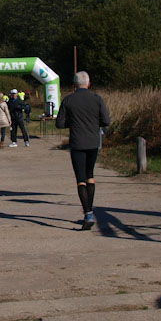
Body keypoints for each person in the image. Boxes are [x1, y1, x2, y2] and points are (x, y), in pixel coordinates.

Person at [56, 71, 111, 230]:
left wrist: (72, 123)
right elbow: (106, 120)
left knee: (80, 178)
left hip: (77, 143)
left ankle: (88, 213)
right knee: (90, 176)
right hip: (93, 142)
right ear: (89, 83)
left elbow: (59, 124)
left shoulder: (68, 100)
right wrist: (94, 123)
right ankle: (90, 209)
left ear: (74, 85)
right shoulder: (97, 99)